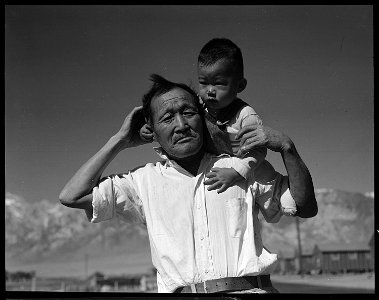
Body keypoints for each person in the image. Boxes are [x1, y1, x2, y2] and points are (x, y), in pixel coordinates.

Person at [59, 74, 318, 293]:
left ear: (202, 119)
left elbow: (304, 207)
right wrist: (120, 140)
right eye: (167, 118)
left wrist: (288, 148)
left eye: (188, 112)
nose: (181, 125)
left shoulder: (240, 167)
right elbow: (71, 196)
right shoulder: (142, 182)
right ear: (152, 130)